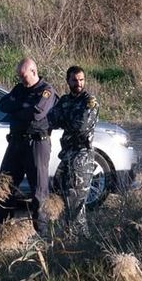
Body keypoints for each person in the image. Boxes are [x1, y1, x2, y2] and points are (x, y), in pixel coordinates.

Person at [0, 57, 57, 234]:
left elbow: (37, 113)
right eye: (20, 77)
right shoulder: (19, 89)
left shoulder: (46, 90)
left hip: (36, 143)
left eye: (24, 76)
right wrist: (23, 106)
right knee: (5, 185)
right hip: (16, 142)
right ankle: (3, 231)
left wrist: (16, 109)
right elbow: (2, 105)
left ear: (33, 72)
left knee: (38, 191)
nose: (22, 80)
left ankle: (43, 233)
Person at [48, 65, 99, 235]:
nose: (79, 83)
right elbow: (51, 119)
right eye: (75, 80)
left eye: (81, 80)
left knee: (76, 198)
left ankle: (81, 237)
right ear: (68, 81)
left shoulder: (89, 101)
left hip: (82, 154)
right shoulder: (64, 100)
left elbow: (81, 127)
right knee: (59, 190)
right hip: (68, 153)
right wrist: (66, 118)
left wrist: (64, 119)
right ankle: (67, 233)